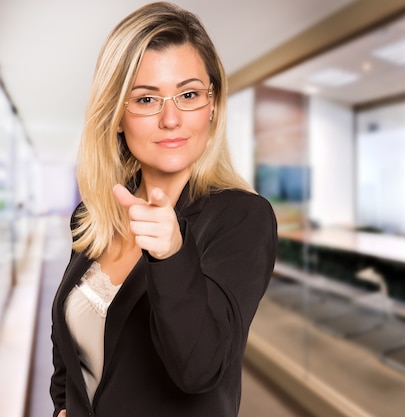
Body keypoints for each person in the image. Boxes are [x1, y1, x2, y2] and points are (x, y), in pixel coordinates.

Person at [50, 3, 277, 416]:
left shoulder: (243, 218)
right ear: (117, 115)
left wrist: (171, 255)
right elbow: (68, 346)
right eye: (146, 98)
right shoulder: (91, 217)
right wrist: (63, 407)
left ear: (212, 105)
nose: (171, 118)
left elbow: (198, 370)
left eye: (188, 94)